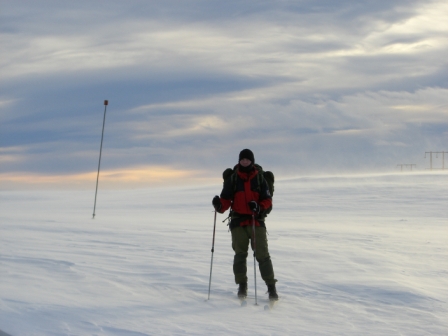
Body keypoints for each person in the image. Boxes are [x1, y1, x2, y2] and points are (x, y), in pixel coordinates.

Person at [212, 149, 278, 300]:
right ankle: (242, 286)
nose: (245, 162)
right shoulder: (233, 179)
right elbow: (226, 201)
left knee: (263, 255)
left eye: (248, 159)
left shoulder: (260, 178)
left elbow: (267, 200)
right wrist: (219, 205)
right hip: (238, 223)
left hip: (256, 221)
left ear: (252, 161)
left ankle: (271, 287)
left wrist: (259, 207)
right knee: (240, 255)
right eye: (243, 159)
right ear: (239, 161)